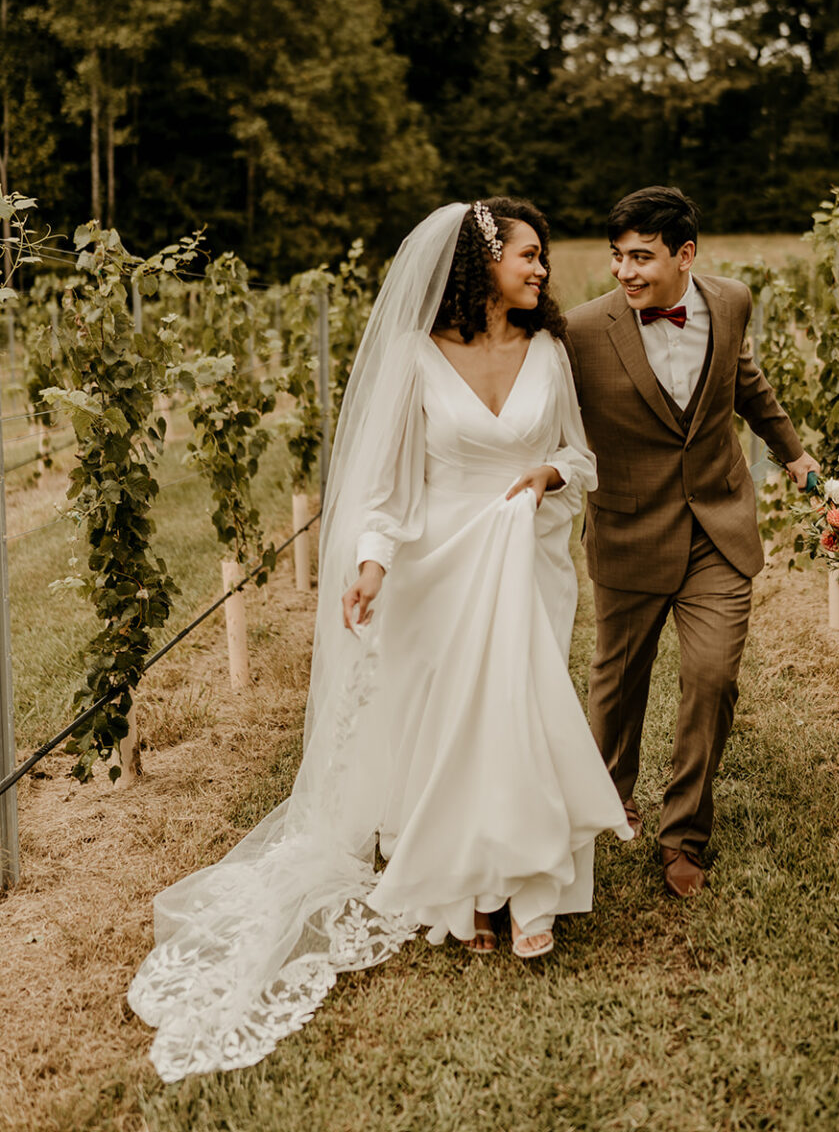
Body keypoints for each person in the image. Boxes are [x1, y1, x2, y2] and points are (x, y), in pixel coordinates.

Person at [129, 199, 630, 1082]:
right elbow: (388, 486)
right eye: (527, 255)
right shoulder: (414, 357)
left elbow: (581, 458)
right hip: (436, 564)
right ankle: (472, 893)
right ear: (481, 267)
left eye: (542, 257)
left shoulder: (549, 353)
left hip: (523, 560)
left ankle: (530, 888)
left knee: (519, 713)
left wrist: (550, 472)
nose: (542, 269)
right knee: (452, 728)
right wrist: (369, 564)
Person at [565, 187, 817, 899]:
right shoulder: (581, 331)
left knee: (711, 678)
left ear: (686, 256)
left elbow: (744, 380)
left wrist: (794, 454)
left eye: (641, 257)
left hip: (718, 525)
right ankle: (605, 797)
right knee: (616, 686)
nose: (625, 272)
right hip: (628, 528)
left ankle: (685, 837)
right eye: (617, 257)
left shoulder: (731, 301)